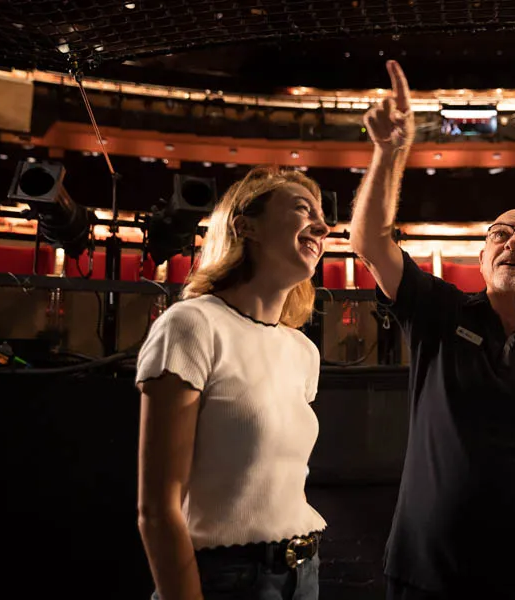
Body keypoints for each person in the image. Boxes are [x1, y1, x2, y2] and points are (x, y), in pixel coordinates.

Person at [350, 60, 515, 600]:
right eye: (500, 234)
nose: (513, 244)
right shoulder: (439, 313)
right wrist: (389, 153)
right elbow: (370, 243)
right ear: (481, 256)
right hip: (426, 576)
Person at [136, 166, 331, 600]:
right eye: (303, 209)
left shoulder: (303, 351)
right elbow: (156, 510)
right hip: (228, 580)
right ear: (247, 226)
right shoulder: (191, 325)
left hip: (305, 574)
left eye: (322, 215)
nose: (322, 226)